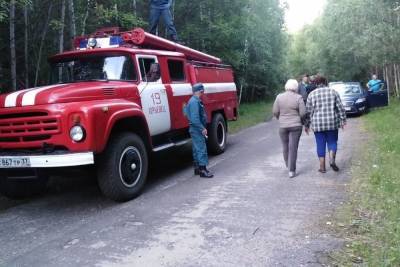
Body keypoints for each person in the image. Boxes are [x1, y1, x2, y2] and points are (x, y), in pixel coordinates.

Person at [305, 76, 347, 173]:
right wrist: (343, 120)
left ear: (316, 84)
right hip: (332, 123)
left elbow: (308, 112)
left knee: (320, 143)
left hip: (317, 124)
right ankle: (332, 159)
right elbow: (340, 108)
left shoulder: (311, 94)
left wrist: (306, 125)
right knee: (332, 142)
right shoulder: (333, 92)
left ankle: (322, 167)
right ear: (325, 82)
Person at [273, 79, 307, 178]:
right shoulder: (298, 97)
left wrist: (280, 118)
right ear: (296, 87)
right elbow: (303, 113)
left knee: (285, 146)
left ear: (286, 86)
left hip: (283, 126)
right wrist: (300, 120)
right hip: (296, 126)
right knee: (293, 148)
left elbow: (275, 111)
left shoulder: (279, 97)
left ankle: (288, 165)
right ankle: (291, 170)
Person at [184, 83, 213, 178]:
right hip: (197, 129)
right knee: (201, 148)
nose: (202, 93)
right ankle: (203, 170)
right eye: (202, 91)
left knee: (196, 149)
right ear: (200, 91)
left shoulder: (193, 101)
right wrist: (202, 128)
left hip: (195, 128)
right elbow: (195, 118)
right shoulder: (194, 102)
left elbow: (188, 115)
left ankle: (197, 168)